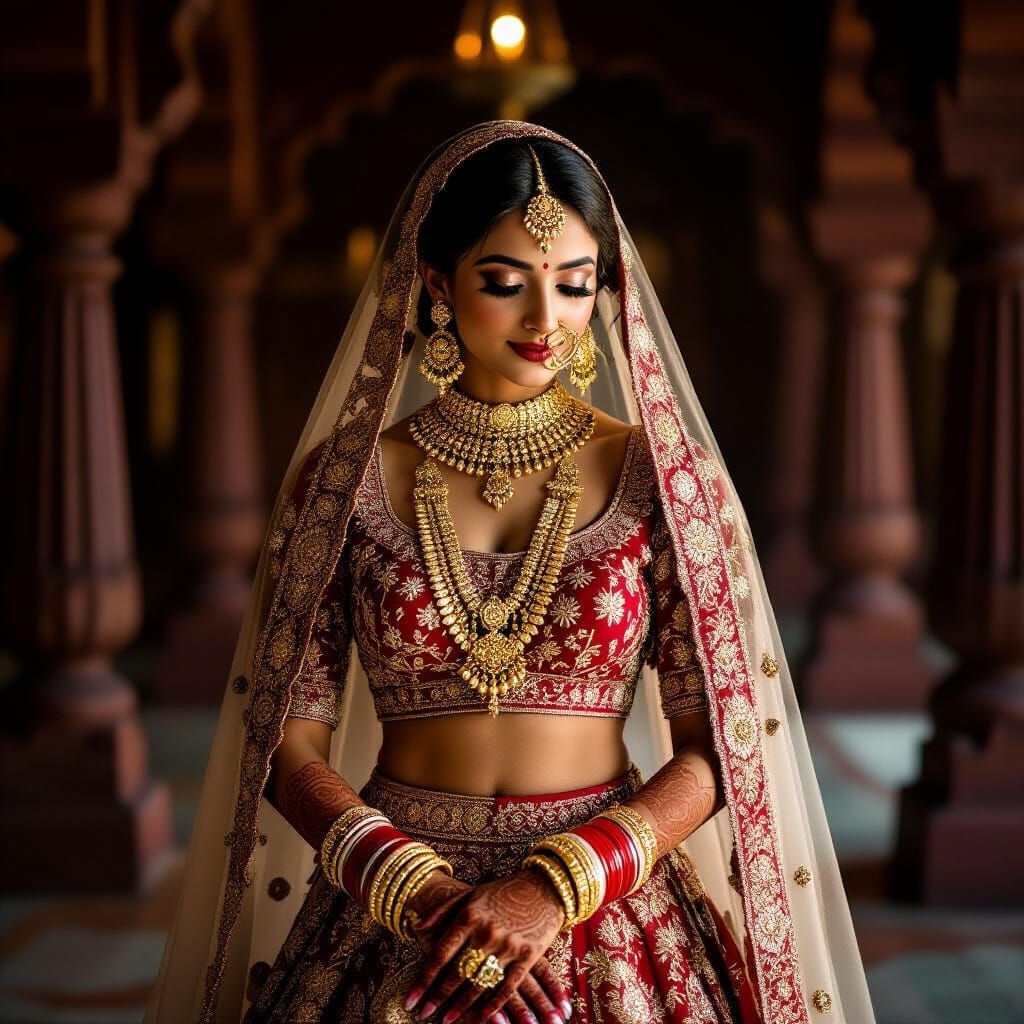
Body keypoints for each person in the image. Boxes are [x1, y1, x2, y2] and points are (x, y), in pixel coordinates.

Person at [144, 122, 876, 1024]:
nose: (545, 320)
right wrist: (419, 894)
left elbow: (715, 748)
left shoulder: (664, 481)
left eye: (574, 285)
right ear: (439, 284)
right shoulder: (343, 481)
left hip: (606, 906)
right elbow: (287, 742)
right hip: (396, 902)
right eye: (505, 283)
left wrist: (552, 890)